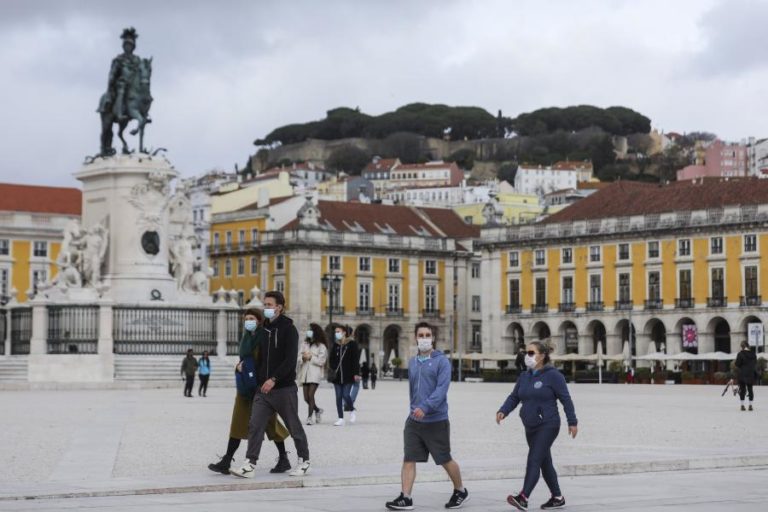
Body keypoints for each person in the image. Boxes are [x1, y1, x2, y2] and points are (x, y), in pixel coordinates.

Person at [385, 322, 469, 510]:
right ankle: (405, 497)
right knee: (409, 458)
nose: (424, 338)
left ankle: (460, 490)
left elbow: (442, 390)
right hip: (414, 420)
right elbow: (412, 389)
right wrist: (414, 408)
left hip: (436, 420)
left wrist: (426, 407)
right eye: (421, 335)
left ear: (433, 338)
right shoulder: (413, 362)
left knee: (445, 459)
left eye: (427, 335)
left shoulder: (442, 361)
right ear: (416, 337)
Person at [232, 291, 311, 478]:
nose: (265, 308)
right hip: (263, 389)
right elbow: (260, 358)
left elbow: (290, 360)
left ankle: (304, 460)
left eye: (268, 305)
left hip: (283, 388)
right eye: (265, 305)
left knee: (293, 426)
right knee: (255, 425)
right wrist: (253, 372)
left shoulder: (289, 329)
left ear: (279, 307)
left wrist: (273, 379)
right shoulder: (265, 329)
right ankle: (250, 464)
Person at [208, 309, 293, 475]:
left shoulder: (264, 337)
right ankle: (227, 460)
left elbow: (266, 361)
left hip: (261, 387)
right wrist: (239, 367)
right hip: (245, 388)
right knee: (238, 422)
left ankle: (284, 458)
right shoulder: (246, 338)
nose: (248, 321)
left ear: (259, 320)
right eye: (246, 319)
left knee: (270, 424)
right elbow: (244, 360)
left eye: (252, 318)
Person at [496, 341, 578, 511]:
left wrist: (572, 422)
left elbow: (566, 399)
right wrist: (503, 410)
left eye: (531, 353)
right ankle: (557, 498)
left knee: (534, 458)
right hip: (530, 425)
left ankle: (523, 497)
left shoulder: (554, 376)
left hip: (548, 424)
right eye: (527, 353)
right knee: (544, 462)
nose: (527, 356)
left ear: (542, 356)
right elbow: (514, 397)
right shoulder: (524, 376)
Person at [329, 323, 361, 426]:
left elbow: (355, 360)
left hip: (349, 375)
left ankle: (351, 410)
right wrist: (333, 368)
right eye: (335, 332)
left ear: (344, 333)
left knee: (346, 395)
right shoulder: (335, 345)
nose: (336, 334)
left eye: (338, 332)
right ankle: (340, 418)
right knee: (338, 396)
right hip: (337, 376)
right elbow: (331, 359)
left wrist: (356, 373)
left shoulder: (352, 344)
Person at [297, 322, 328, 425]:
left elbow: (322, 361)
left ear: (315, 332)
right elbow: (298, 357)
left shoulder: (321, 346)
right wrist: (302, 357)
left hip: (315, 373)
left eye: (311, 329)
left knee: (311, 395)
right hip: (305, 373)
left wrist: (311, 357)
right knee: (306, 398)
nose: (309, 331)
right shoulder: (304, 344)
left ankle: (309, 417)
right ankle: (318, 410)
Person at [735, 340, 758, 411]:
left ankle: (742, 406)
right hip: (751, 373)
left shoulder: (740, 354)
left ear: (742, 347)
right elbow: (755, 363)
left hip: (742, 373)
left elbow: (737, 364)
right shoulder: (753, 354)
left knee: (742, 390)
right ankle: (750, 405)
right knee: (750, 389)